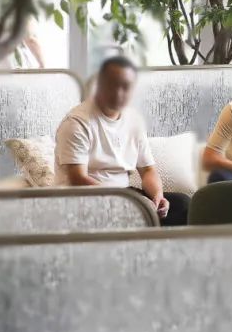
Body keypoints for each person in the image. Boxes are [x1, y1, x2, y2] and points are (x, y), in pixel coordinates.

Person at [54, 55, 189, 226]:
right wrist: (129, 201)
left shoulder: (134, 120)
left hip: (124, 194)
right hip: (85, 199)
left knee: (182, 204)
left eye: (125, 87)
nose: (118, 93)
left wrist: (157, 197)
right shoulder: (76, 123)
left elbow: (148, 170)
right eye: (112, 85)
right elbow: (77, 179)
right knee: (133, 216)